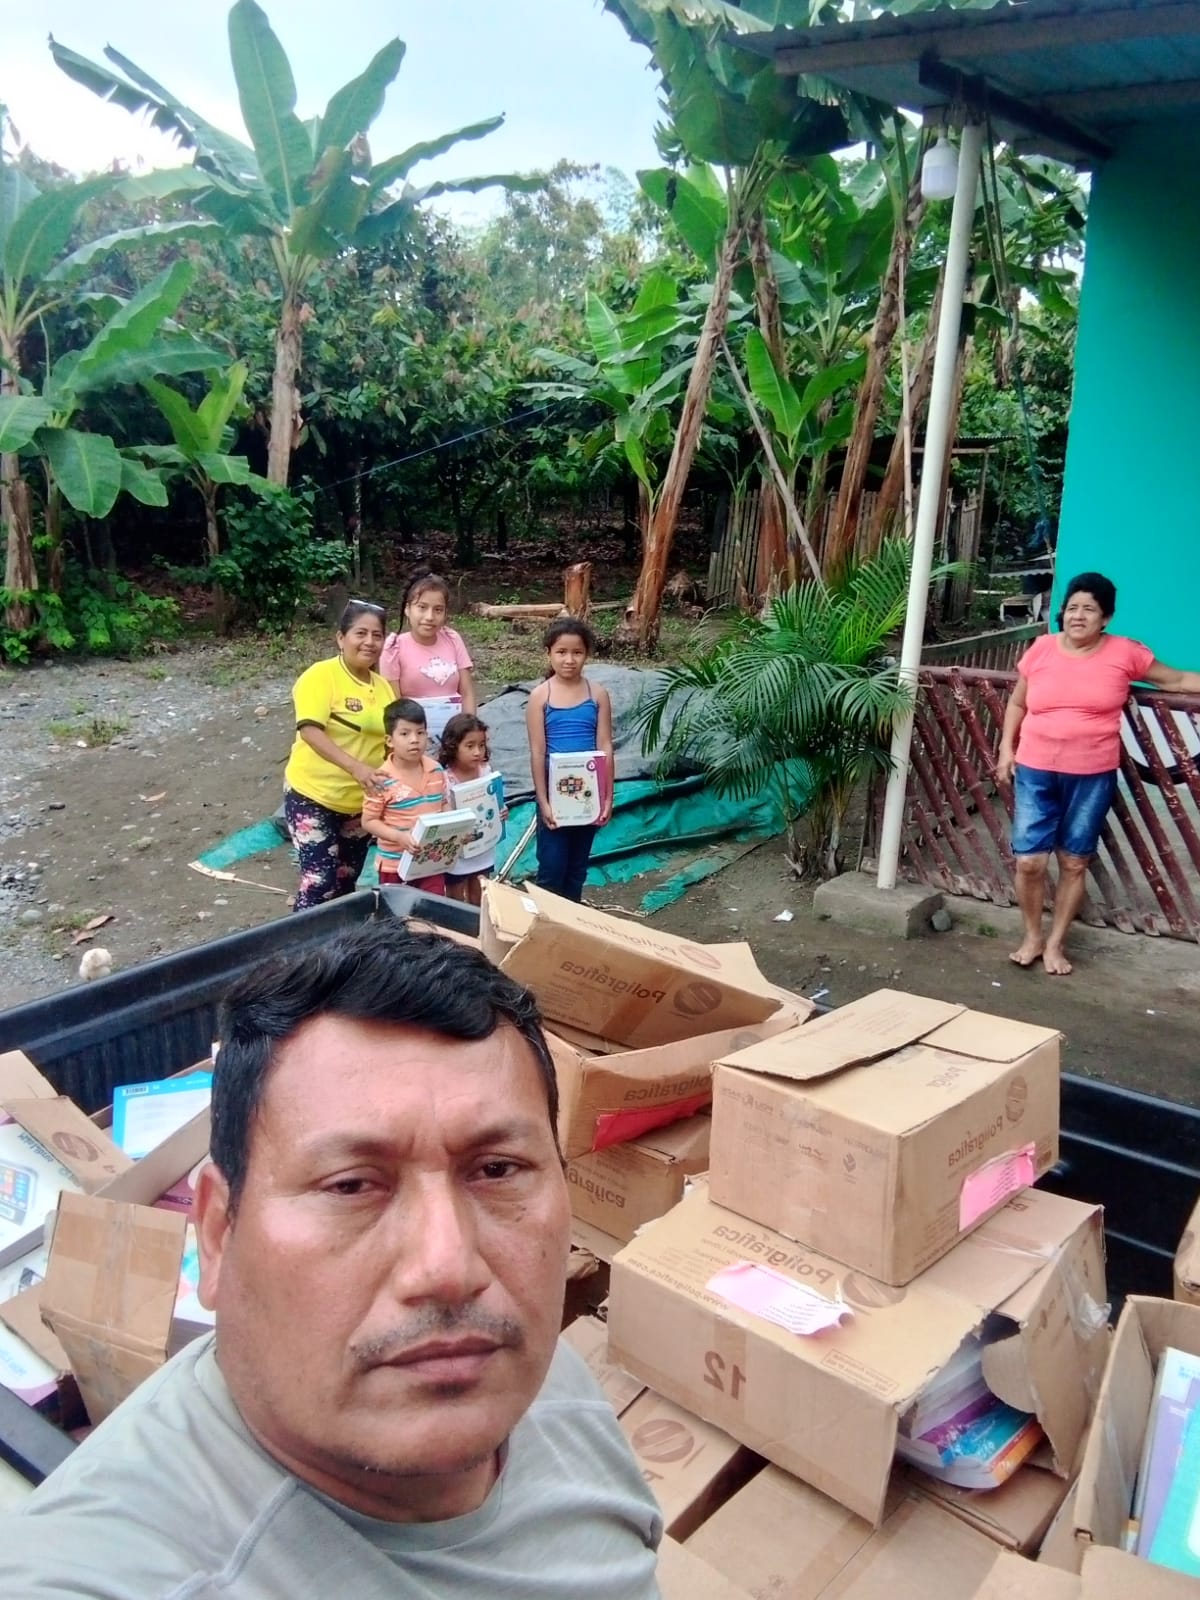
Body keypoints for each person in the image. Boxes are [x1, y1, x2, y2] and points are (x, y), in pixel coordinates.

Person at [0, 925, 663, 1598]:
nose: (449, 1268)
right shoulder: (113, 1575)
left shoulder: (536, 1381)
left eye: (497, 1170)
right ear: (219, 1233)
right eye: (350, 1186)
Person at [997, 570, 1200, 975]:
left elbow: (1177, 678)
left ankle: (1055, 944)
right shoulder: (1041, 649)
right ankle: (1032, 935)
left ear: (1105, 618)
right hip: (1035, 770)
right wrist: (1006, 749)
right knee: (1029, 862)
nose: (1078, 616)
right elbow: (1018, 703)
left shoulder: (1125, 653)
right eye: (1072, 607)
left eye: (1089, 609)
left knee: (1074, 862)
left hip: (1091, 775)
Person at [283, 599, 395, 911]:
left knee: (346, 882)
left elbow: (391, 743)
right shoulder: (321, 676)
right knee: (319, 882)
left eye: (377, 635)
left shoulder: (384, 689)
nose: (369, 642)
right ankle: (301, 939)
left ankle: (340, 941)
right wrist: (356, 767)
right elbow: (310, 730)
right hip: (312, 795)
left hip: (359, 804)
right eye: (361, 633)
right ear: (341, 638)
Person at [526, 617, 614, 903]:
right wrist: (543, 801)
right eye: (561, 652)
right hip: (555, 797)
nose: (569, 660)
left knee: (577, 869)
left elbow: (605, 746)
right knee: (551, 868)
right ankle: (545, 922)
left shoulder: (597, 694)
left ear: (587, 654)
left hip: (588, 796)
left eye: (577, 652)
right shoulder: (540, 696)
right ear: (549, 653)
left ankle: (572, 920)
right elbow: (537, 751)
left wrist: (607, 797)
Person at [362, 699, 452, 895]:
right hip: (394, 865)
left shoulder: (436, 770)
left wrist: (455, 828)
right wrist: (399, 837)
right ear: (389, 740)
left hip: (431, 861)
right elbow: (368, 821)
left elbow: (444, 804)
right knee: (397, 910)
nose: (414, 740)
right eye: (405, 734)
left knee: (432, 908)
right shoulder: (381, 779)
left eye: (420, 732)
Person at [379, 573, 477, 742]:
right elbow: (394, 706)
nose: (430, 617)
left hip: (455, 738)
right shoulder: (394, 648)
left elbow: (467, 693)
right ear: (408, 609)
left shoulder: (452, 639)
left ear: (445, 613)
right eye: (422, 607)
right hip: (413, 742)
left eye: (438, 610)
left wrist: (469, 735)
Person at [440, 712, 508, 907]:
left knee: (480, 895)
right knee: (455, 899)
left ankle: (478, 924)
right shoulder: (445, 778)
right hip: (457, 852)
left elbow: (494, 804)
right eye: (469, 746)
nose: (477, 752)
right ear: (453, 746)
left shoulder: (486, 771)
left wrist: (501, 811)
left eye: (481, 745)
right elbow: (441, 810)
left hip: (483, 847)